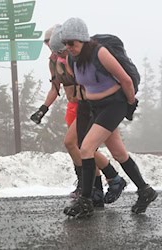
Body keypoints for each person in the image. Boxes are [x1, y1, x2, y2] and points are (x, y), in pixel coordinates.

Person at [60, 17, 158, 218]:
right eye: (65, 43)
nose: (68, 47)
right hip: (95, 106)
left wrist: (130, 104)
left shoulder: (100, 53)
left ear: (83, 40)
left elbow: (126, 80)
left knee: (86, 148)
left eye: (72, 43)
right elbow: (83, 87)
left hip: (115, 104)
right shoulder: (72, 60)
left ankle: (86, 200)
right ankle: (145, 191)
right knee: (118, 152)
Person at [33, 25, 127, 208]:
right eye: (46, 43)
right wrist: (43, 108)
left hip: (87, 105)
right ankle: (95, 189)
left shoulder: (73, 56)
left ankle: (110, 179)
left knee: (78, 145)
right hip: (73, 106)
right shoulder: (53, 61)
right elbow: (55, 88)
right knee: (81, 147)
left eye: (51, 43)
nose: (49, 47)